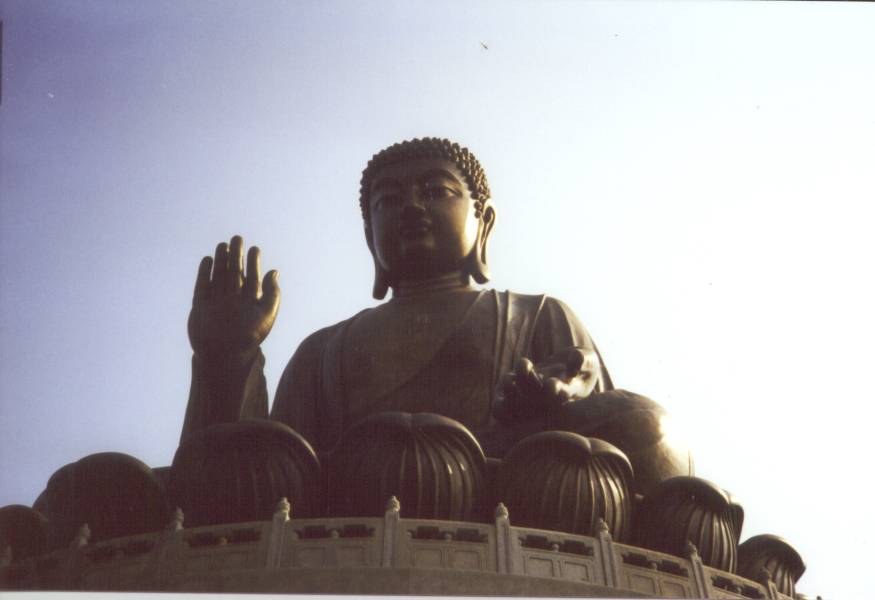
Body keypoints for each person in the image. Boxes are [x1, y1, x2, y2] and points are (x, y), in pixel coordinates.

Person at [181, 137, 691, 495]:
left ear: (483, 222)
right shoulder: (324, 350)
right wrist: (227, 357)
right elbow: (252, 472)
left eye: (435, 191)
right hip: (354, 497)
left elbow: (601, 424)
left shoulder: (534, 314)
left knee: (651, 427)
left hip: (512, 491)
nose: (410, 207)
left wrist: (558, 397)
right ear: (368, 237)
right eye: (388, 199)